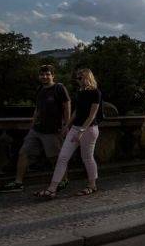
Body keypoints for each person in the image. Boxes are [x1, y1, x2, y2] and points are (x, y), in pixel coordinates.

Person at [0, 65, 71, 193]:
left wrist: (66, 125)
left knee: (55, 157)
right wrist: (32, 123)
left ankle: (64, 180)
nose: (44, 77)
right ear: (39, 76)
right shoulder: (40, 89)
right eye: (42, 75)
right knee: (24, 153)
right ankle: (18, 182)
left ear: (53, 75)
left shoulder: (59, 88)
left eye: (47, 74)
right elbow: (38, 108)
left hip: (52, 130)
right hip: (37, 129)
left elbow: (67, 105)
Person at [34, 68, 102, 199]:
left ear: (88, 77)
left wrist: (81, 131)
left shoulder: (95, 92)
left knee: (87, 158)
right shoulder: (80, 92)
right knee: (63, 157)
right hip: (75, 128)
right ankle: (52, 188)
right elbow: (77, 111)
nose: (78, 80)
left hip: (89, 129)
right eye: (77, 78)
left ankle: (92, 185)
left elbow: (92, 115)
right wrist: (67, 125)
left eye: (80, 78)